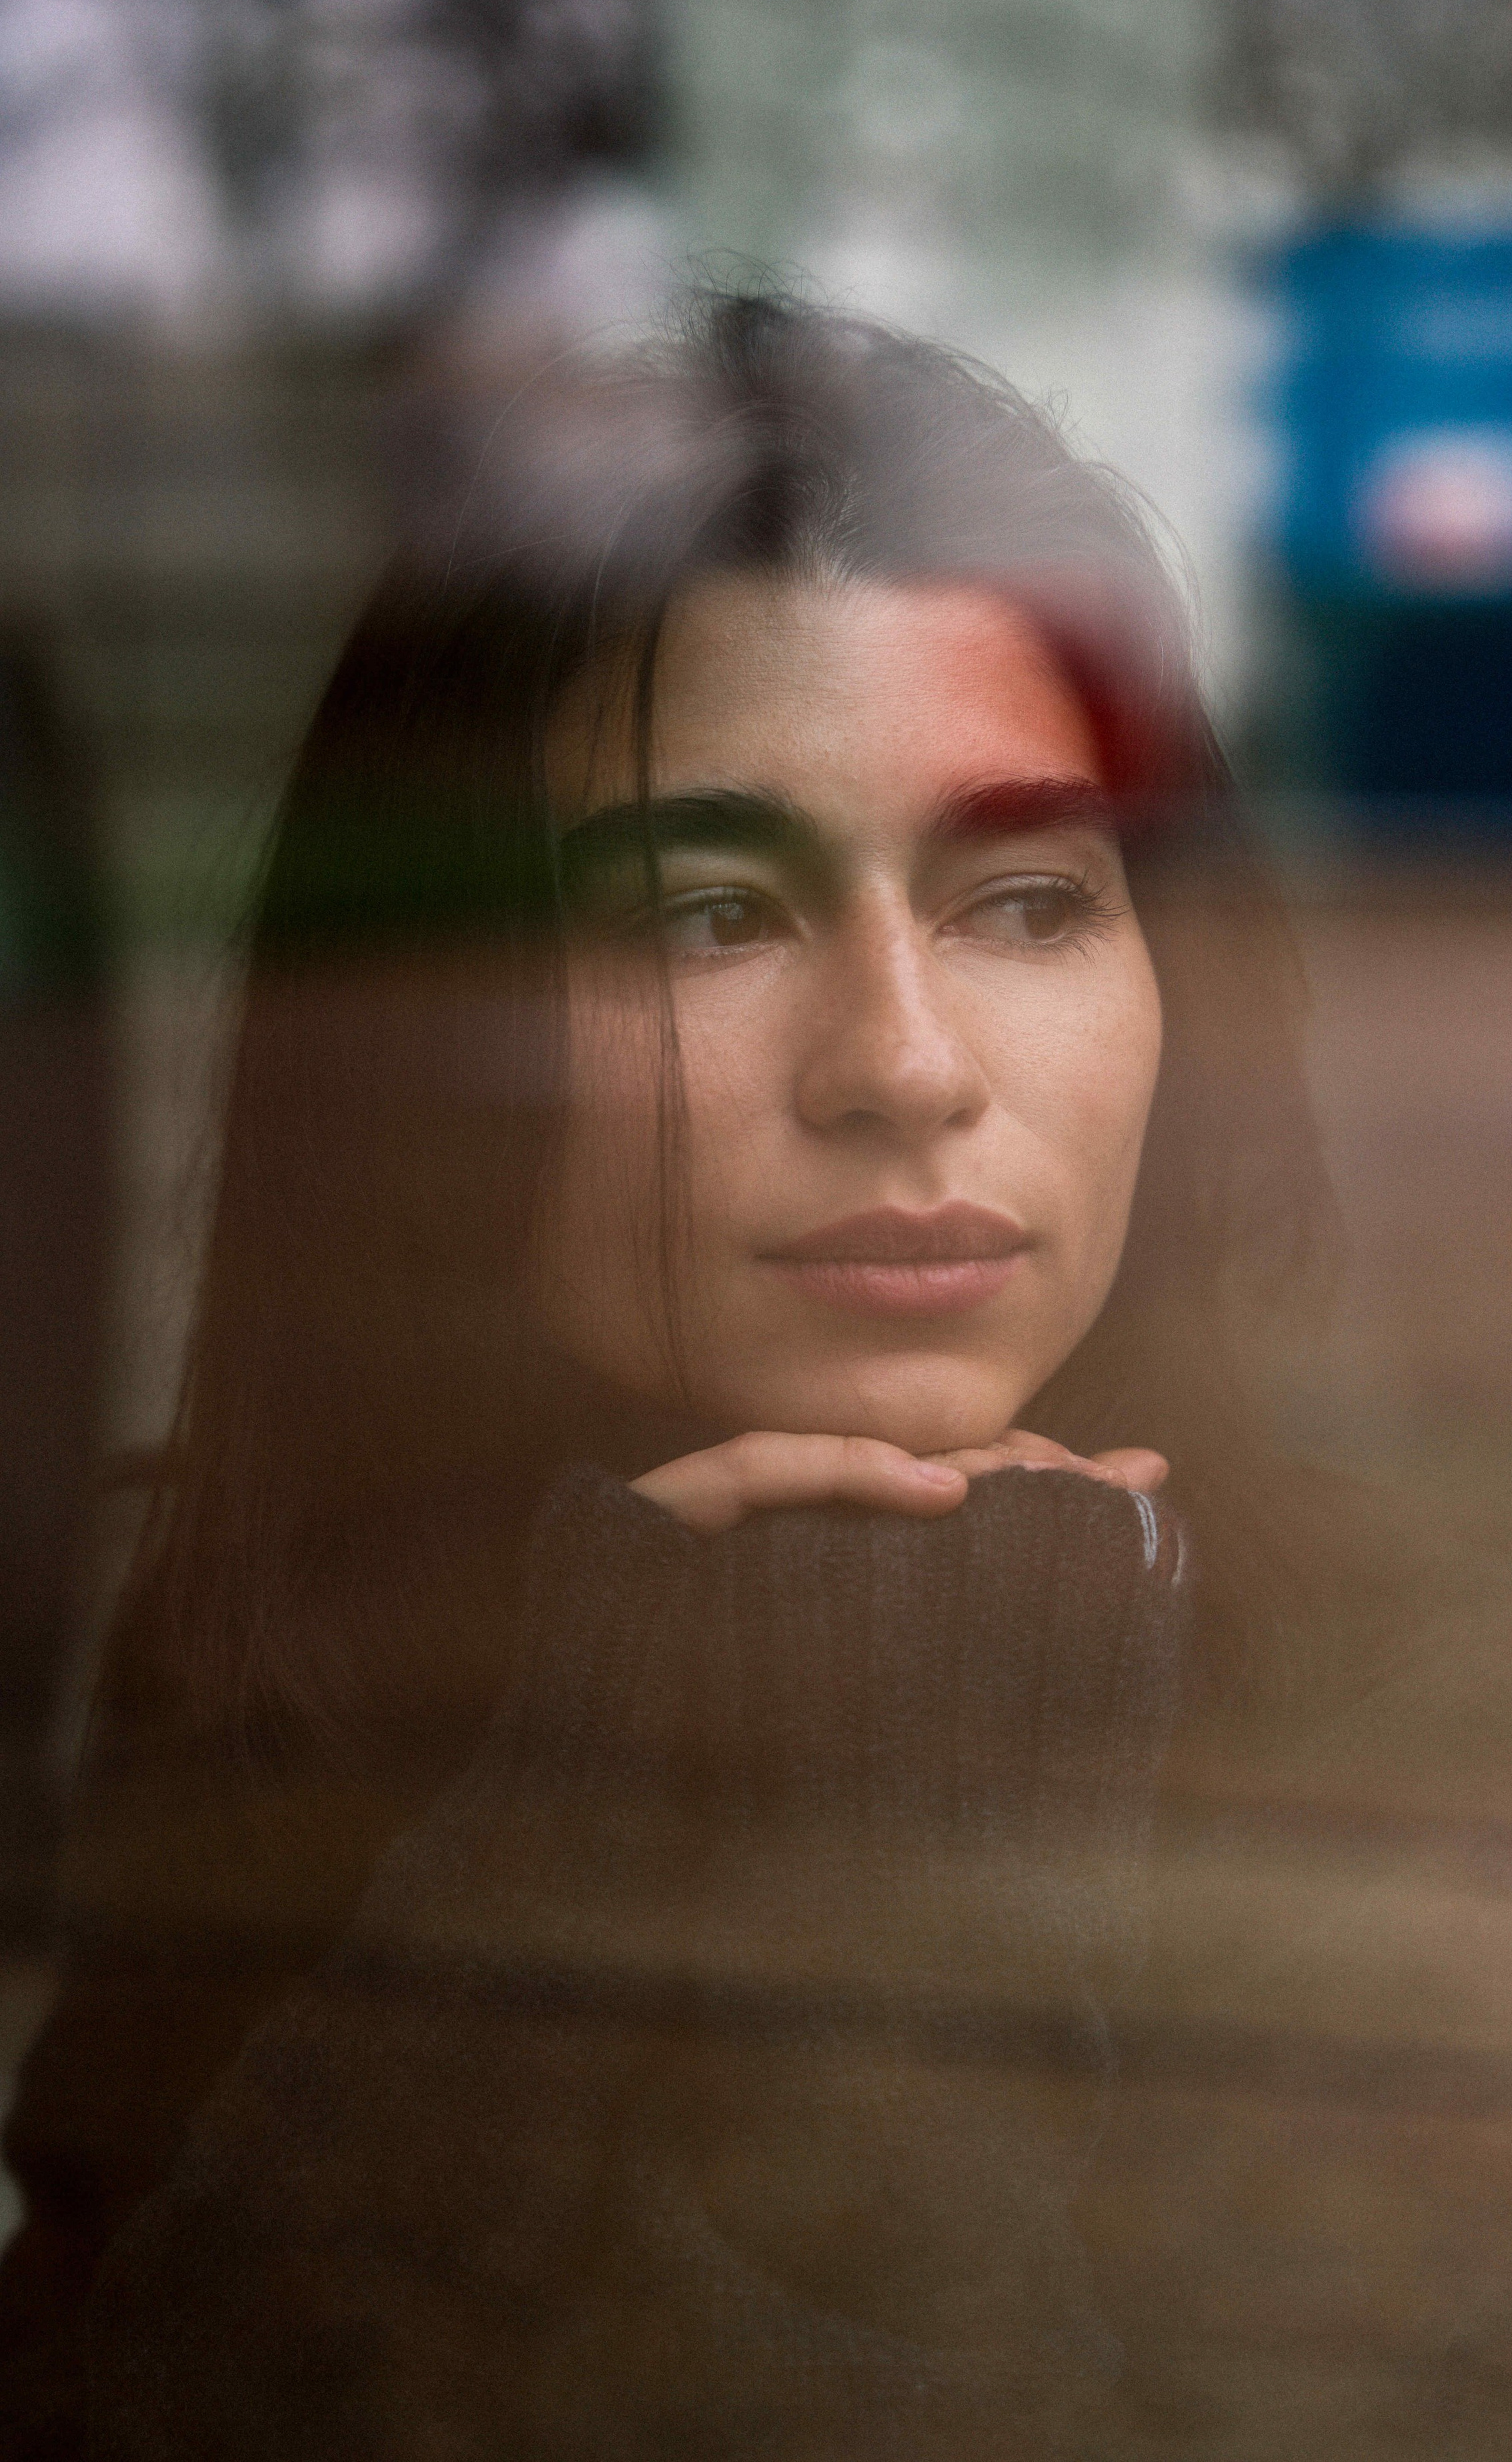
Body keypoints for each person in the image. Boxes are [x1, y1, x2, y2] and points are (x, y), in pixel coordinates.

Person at [0, 294, 1359, 2458]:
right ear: (437, 1046)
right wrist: (582, 1815)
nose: (903, 1065)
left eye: (1024, 898)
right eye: (705, 916)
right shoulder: (261, 1747)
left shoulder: (1494, 1746)